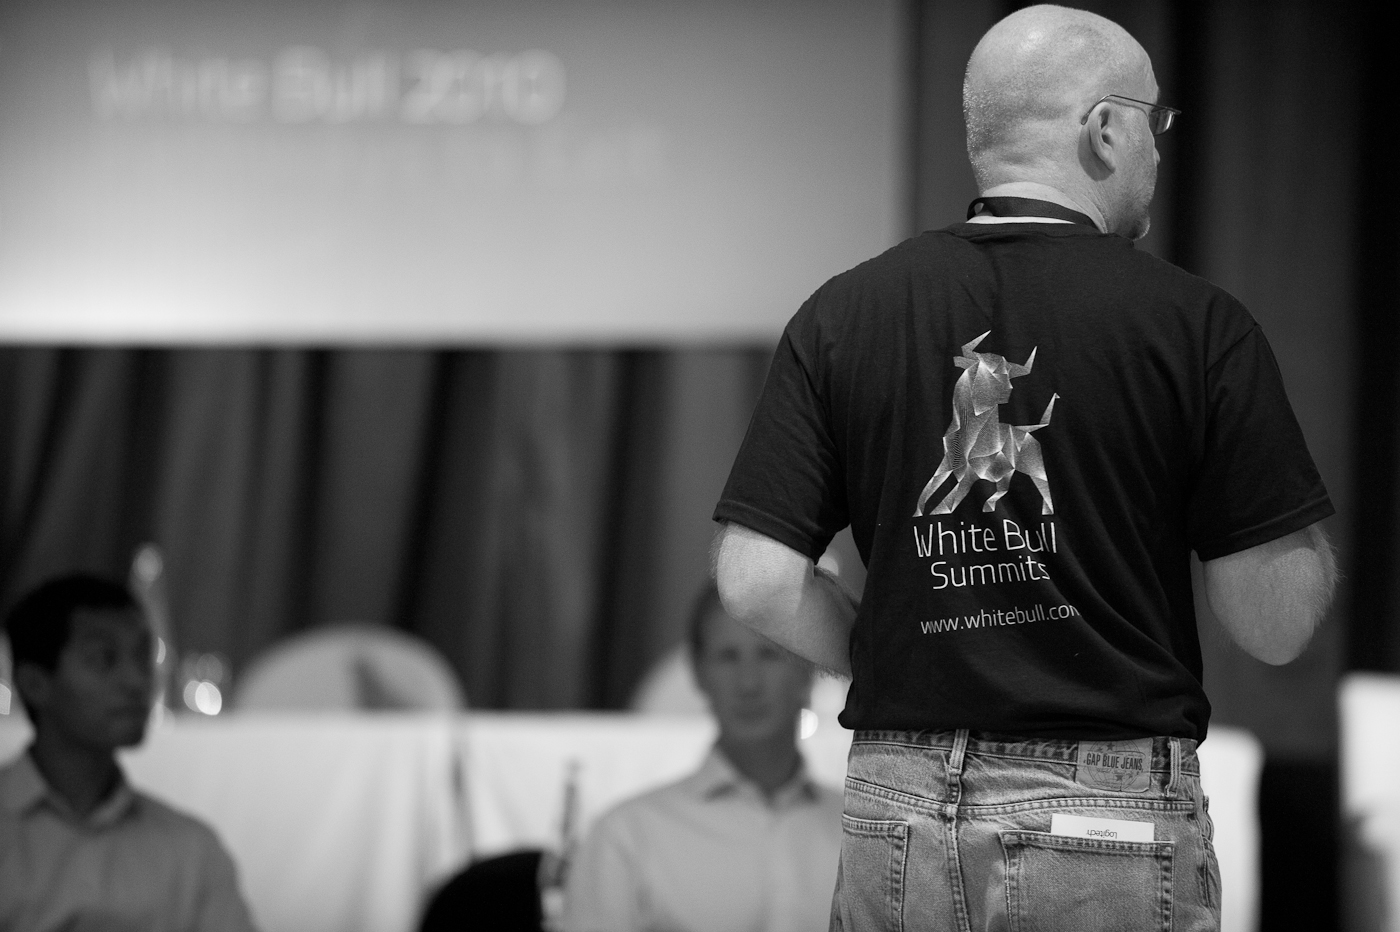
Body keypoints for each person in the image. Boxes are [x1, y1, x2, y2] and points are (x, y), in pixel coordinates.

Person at [711, 5, 1337, 931]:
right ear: (1106, 128)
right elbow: (1274, 626)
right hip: (1103, 816)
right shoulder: (1197, 327)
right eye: (1154, 123)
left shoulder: (842, 313)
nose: (1157, 148)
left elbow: (755, 581)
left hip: (895, 808)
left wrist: (893, 653)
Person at [560, 584, 843, 932]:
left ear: (809, 670)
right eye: (727, 656)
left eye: (770, 654)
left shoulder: (857, 835)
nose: (749, 683)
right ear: (697, 672)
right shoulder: (627, 836)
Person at [0, 573, 259, 932]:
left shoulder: (189, 848)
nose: (137, 681)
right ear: (35, 683)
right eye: (104, 659)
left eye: (143, 657)